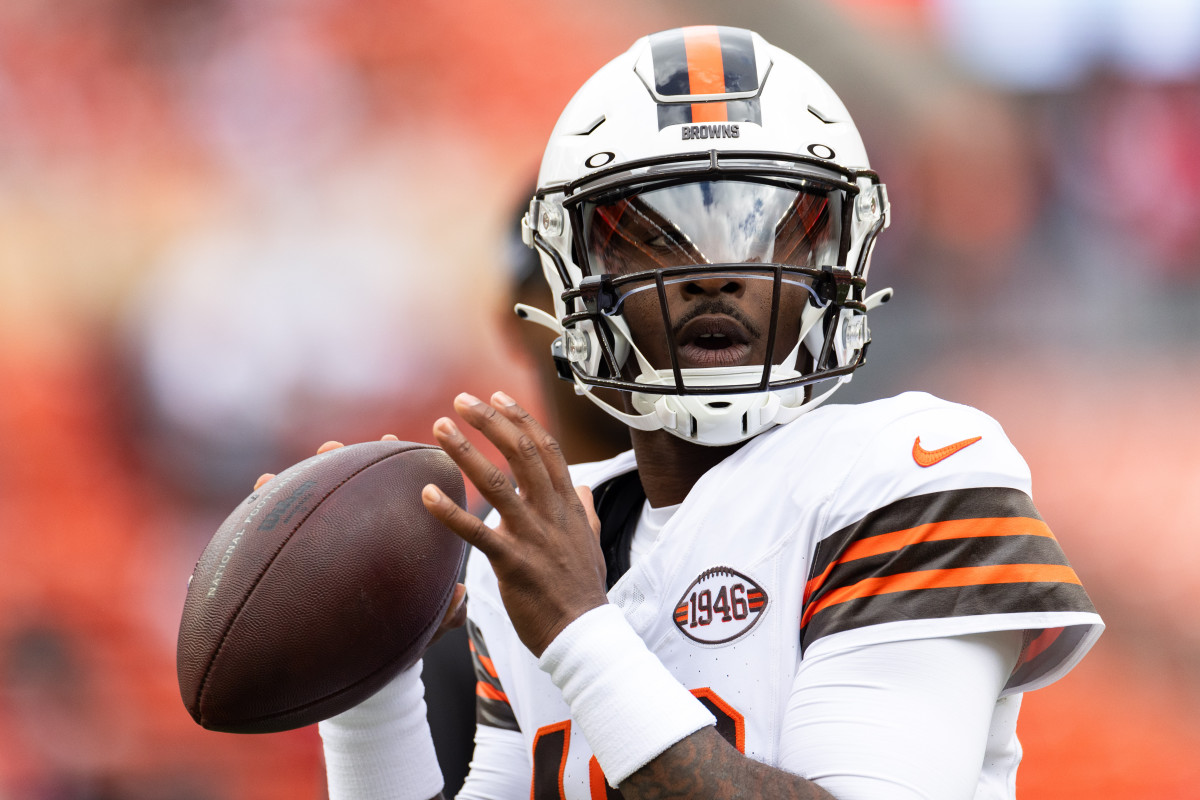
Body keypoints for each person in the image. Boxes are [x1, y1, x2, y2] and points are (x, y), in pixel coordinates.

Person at [313, 26, 1104, 800]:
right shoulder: (541, 542)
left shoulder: (914, 472)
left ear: (837, 260)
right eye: (654, 235)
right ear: (572, 272)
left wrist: (580, 632)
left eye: (765, 227)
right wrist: (365, 692)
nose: (712, 274)